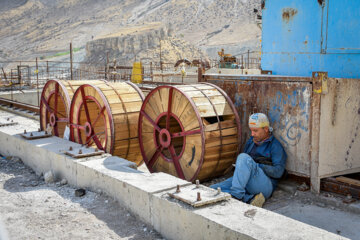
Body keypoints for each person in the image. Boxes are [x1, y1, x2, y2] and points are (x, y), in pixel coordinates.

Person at [210, 113, 287, 207]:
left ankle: (237, 196)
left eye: (255, 131)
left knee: (243, 157)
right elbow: (244, 166)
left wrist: (256, 166)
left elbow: (278, 172)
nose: (252, 134)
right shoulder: (251, 141)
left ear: (266, 129)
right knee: (212, 190)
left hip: (265, 185)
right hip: (248, 182)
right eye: (251, 130)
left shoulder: (275, 146)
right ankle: (248, 198)